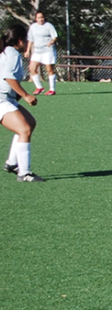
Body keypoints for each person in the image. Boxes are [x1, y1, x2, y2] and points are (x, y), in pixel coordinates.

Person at [0, 25, 44, 182]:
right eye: (25, 39)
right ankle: (24, 173)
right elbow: (8, 78)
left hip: (7, 99)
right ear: (19, 40)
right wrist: (25, 95)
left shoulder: (8, 52)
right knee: (24, 129)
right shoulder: (12, 54)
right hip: (1, 100)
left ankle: (12, 163)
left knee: (30, 123)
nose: (27, 42)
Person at [25, 11, 58, 96]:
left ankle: (52, 89)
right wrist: (28, 51)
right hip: (37, 51)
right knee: (32, 68)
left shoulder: (48, 26)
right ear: (36, 19)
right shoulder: (33, 27)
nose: (41, 19)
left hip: (48, 50)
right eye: (39, 18)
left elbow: (54, 36)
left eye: (42, 17)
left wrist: (52, 42)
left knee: (49, 69)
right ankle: (39, 87)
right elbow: (30, 40)